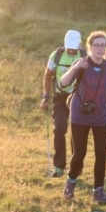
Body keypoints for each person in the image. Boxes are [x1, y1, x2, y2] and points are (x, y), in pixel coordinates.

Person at [59, 30, 106, 204]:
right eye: (96, 45)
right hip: (80, 115)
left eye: (103, 45)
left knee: (101, 153)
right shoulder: (82, 64)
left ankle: (98, 191)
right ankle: (70, 183)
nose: (100, 48)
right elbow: (62, 83)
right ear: (90, 47)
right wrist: (76, 67)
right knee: (79, 153)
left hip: (101, 117)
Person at [40, 30, 84, 177]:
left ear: (79, 45)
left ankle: (76, 166)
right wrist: (46, 96)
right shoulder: (56, 55)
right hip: (60, 96)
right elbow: (47, 76)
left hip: (78, 97)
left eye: (73, 49)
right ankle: (59, 166)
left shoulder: (85, 56)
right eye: (68, 48)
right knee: (59, 129)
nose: (71, 51)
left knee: (77, 131)